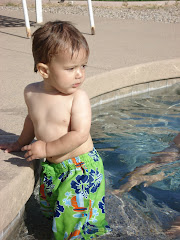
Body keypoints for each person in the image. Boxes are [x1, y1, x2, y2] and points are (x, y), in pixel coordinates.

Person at [0, 21, 110, 240]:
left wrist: (47, 147)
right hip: (53, 168)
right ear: (44, 70)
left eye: (83, 66)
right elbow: (32, 118)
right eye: (71, 68)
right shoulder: (31, 92)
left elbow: (79, 134)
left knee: (73, 227)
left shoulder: (78, 98)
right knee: (52, 215)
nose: (79, 74)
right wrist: (20, 142)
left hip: (81, 170)